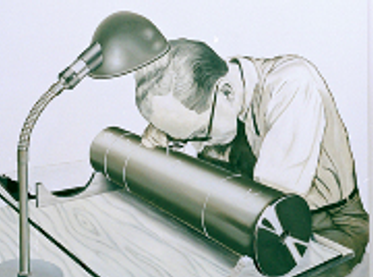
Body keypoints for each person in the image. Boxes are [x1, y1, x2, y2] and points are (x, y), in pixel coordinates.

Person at [133, 38, 368, 277]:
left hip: (324, 227)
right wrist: (169, 134)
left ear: (226, 91)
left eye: (200, 134)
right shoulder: (214, 95)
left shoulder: (292, 85)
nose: (198, 144)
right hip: (250, 223)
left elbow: (268, 209)